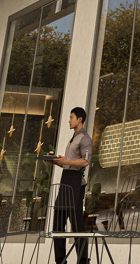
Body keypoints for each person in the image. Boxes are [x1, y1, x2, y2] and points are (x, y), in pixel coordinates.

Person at [50, 108, 91, 264]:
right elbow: (69, 164)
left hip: (76, 184)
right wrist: (57, 162)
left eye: (71, 117)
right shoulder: (72, 139)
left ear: (79, 119)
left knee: (76, 224)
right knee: (58, 223)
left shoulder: (85, 138)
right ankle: (60, 260)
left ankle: (83, 260)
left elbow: (85, 161)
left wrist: (66, 161)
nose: (69, 120)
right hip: (65, 181)